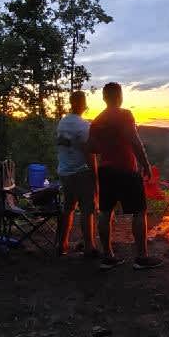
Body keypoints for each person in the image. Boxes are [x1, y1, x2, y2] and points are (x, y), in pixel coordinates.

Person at [87, 82, 162, 271]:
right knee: (138, 211)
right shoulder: (124, 115)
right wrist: (145, 164)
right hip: (126, 170)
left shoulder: (97, 120)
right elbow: (135, 141)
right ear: (119, 96)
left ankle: (108, 255)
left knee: (105, 211)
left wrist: (106, 145)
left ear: (104, 98)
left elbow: (91, 148)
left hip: (105, 170)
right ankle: (141, 257)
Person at [56, 90, 99, 258]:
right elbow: (90, 154)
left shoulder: (63, 122)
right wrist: (96, 178)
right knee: (87, 209)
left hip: (65, 172)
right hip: (81, 172)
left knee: (68, 208)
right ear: (83, 104)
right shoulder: (84, 126)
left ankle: (62, 244)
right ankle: (89, 246)